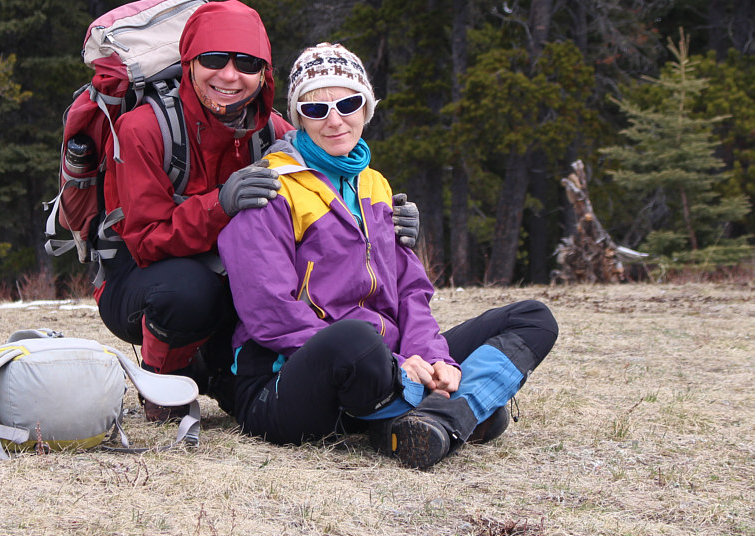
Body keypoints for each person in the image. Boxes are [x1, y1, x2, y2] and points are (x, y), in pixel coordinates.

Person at [217, 42, 558, 469]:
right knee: (354, 341)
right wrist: (398, 365)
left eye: (348, 104)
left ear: (366, 108)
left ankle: (435, 416)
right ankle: (460, 407)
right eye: (316, 109)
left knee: (533, 318)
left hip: (382, 364)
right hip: (286, 381)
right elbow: (271, 315)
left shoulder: (375, 185)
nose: (335, 120)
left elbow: (411, 292)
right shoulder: (269, 187)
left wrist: (434, 358)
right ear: (299, 117)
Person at [94, 2, 420, 421]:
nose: (230, 75)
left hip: (232, 279)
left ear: (264, 73)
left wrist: (385, 223)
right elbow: (144, 242)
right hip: (140, 282)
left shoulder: (275, 131)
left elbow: (329, 194)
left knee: (250, 298)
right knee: (190, 291)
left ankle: (220, 377)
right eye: (214, 59)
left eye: (247, 63)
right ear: (189, 63)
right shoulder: (143, 129)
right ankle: (163, 381)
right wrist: (220, 204)